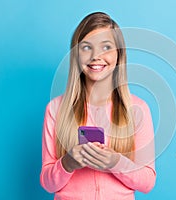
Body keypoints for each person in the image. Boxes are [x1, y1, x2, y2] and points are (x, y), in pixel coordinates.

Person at [40, 12, 156, 200]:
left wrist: (116, 162)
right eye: (87, 47)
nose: (96, 56)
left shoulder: (138, 109)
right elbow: (47, 183)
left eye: (106, 47)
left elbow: (147, 182)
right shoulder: (55, 109)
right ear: (76, 54)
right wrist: (67, 164)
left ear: (119, 54)